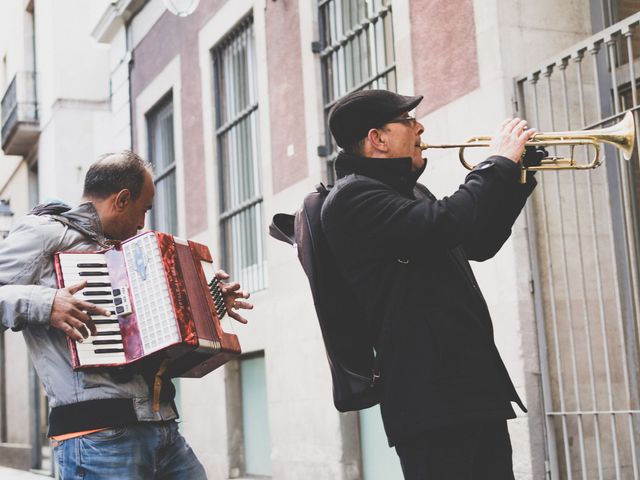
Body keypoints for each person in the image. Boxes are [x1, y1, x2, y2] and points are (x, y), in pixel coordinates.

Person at [321, 90, 538, 480]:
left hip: (471, 388)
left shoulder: (410, 192)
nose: (420, 128)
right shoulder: (352, 197)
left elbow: (477, 241)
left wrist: (518, 176)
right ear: (378, 138)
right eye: (408, 120)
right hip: (431, 401)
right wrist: (497, 164)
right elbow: (446, 221)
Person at [0, 151, 253, 479]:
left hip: (162, 428)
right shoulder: (46, 233)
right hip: (97, 438)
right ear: (122, 199)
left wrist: (211, 301)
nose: (142, 223)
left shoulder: (132, 253)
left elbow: (158, 333)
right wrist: (46, 303)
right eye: (144, 209)